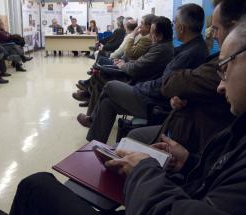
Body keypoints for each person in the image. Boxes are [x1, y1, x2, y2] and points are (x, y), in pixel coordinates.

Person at [0, 16, 246, 215]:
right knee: (105, 78)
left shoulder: (167, 47)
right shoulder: (236, 132)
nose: (220, 83)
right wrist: (189, 162)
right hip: (161, 193)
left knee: (35, 184)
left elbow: (159, 77)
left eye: (224, 67)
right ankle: (93, 129)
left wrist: (143, 169)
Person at [81, 3, 208, 144]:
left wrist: (138, 88)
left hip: (156, 103)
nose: (174, 26)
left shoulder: (189, 53)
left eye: (175, 22)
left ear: (181, 27)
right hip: (153, 93)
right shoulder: (192, 48)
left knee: (110, 86)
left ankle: (92, 129)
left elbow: (164, 85)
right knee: (107, 101)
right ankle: (94, 144)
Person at [127, 0, 243, 154]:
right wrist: (184, 96)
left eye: (216, 29)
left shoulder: (206, 56)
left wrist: (181, 91)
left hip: (189, 135)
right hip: (181, 125)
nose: (213, 35)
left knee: (111, 89)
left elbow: (168, 83)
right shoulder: (193, 50)